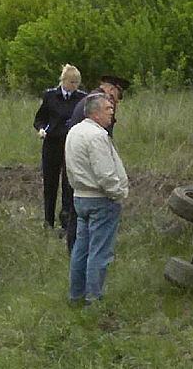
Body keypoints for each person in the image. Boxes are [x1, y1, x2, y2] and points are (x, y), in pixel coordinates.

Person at [65, 93, 129, 305]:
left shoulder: (74, 131)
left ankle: (76, 296)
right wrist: (118, 193)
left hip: (80, 198)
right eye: (107, 108)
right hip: (100, 199)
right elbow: (105, 173)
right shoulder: (96, 136)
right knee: (99, 253)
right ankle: (94, 300)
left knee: (81, 250)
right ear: (94, 112)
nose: (112, 112)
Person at [66, 75, 130, 254]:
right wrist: (117, 193)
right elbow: (103, 162)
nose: (114, 106)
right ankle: (90, 276)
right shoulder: (100, 105)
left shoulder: (88, 101)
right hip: (93, 182)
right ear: (112, 89)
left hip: (77, 168)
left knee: (78, 227)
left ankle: (74, 254)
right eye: (117, 95)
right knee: (98, 251)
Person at [34, 64, 87, 234]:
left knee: (68, 183)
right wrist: (41, 129)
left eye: (77, 82)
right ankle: (48, 221)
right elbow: (40, 118)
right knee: (50, 183)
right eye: (71, 82)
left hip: (71, 144)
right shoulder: (50, 96)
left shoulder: (81, 98)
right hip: (52, 143)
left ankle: (66, 221)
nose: (74, 86)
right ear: (63, 81)